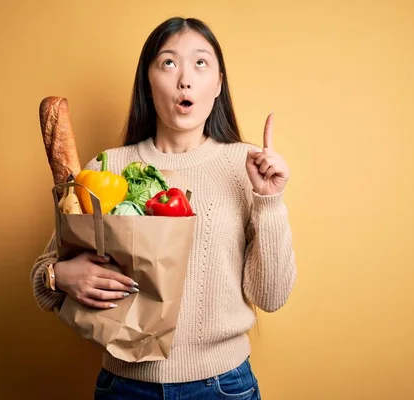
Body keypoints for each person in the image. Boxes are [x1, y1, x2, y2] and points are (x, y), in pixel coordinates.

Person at [31, 16, 296, 400]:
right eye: (168, 63)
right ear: (147, 82)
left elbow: (271, 297)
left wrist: (269, 200)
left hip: (222, 387)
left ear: (218, 84)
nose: (184, 79)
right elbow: (43, 276)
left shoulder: (248, 166)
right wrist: (59, 276)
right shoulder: (107, 168)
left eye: (200, 63)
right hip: (123, 387)